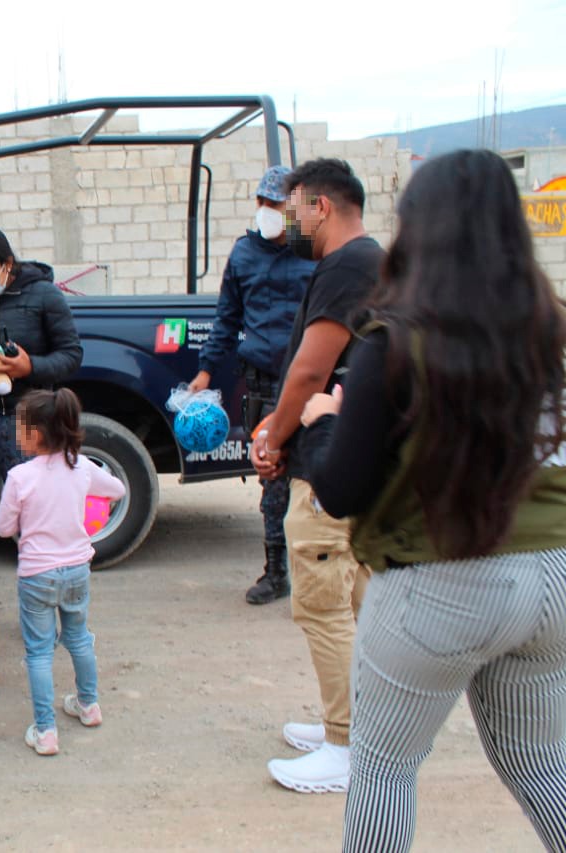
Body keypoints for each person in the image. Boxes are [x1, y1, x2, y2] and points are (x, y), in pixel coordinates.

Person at [298, 149, 566, 851]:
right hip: (555, 579)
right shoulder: (551, 332)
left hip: (446, 579)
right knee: (540, 761)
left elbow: (342, 487)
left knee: (384, 767)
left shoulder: (394, 342)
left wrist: (325, 420)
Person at [251, 159, 383, 793]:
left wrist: (273, 438)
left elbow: (310, 370)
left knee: (325, 609)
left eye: (294, 207)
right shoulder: (364, 263)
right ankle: (358, 726)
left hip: (328, 472)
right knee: (355, 607)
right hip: (347, 461)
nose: (289, 220)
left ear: (321, 207)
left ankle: (347, 747)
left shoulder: (348, 266)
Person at [0, 225, 83, 661]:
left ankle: (51, 616)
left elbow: (72, 355)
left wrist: (30, 367)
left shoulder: (43, 296)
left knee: (39, 526)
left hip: (30, 427)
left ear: (7, 265)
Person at [190, 165, 315, 605]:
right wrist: (205, 370)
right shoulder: (243, 254)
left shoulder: (314, 251)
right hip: (262, 384)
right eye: (261, 203)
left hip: (310, 383)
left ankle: (317, 573)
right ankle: (276, 573)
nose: (267, 211)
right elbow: (226, 319)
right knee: (272, 480)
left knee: (316, 480)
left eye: (275, 204)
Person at [0, 388, 125, 755]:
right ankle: (89, 704)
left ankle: (46, 730)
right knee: (79, 638)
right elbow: (116, 489)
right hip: (77, 569)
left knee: (38, 652)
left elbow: (4, 529)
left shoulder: (20, 476)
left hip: (37, 574)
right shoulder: (81, 466)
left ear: (35, 434)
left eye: (20, 428)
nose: (15, 434)